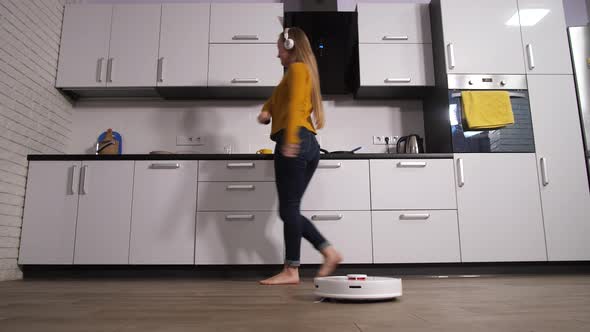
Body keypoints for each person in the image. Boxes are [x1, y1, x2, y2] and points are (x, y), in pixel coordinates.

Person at [257, 27, 342, 285]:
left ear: (290, 46)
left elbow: (294, 105)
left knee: (289, 209)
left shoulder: (297, 71)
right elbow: (275, 100)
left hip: (295, 140)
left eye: (280, 49)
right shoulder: (294, 74)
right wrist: (266, 111)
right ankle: (298, 266)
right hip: (309, 144)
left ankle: (313, 258)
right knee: (290, 209)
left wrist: (291, 138)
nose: (277, 54)